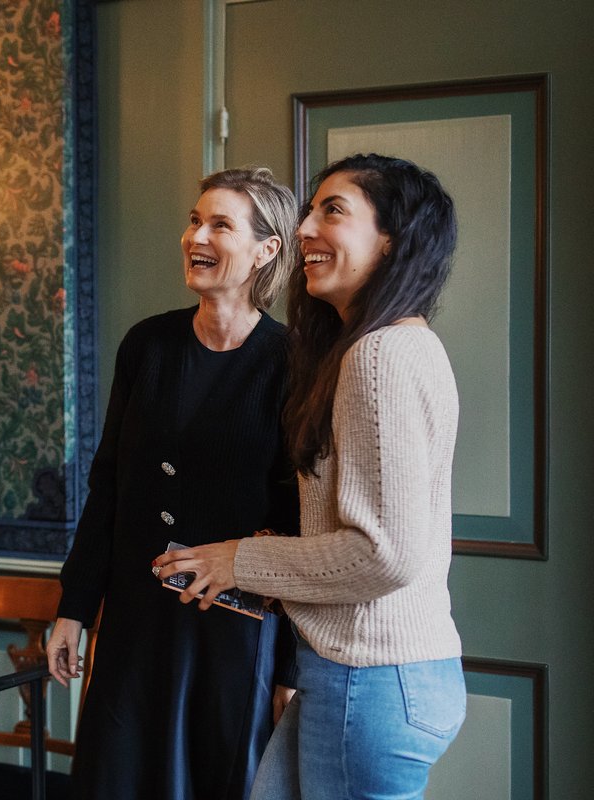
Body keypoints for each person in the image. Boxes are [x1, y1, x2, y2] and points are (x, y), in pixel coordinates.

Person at [152, 153, 465, 800]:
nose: (303, 228)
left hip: (369, 679)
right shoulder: (400, 343)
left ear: (393, 239)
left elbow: (383, 553)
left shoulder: (379, 357)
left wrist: (240, 561)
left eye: (333, 210)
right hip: (368, 675)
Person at [46, 167, 300, 800]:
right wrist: (74, 608)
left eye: (220, 224)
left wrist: (290, 667)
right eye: (194, 220)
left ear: (266, 250)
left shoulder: (293, 363)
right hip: (135, 623)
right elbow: (108, 482)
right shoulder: (147, 346)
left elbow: (304, 521)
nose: (197, 236)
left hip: (233, 628)